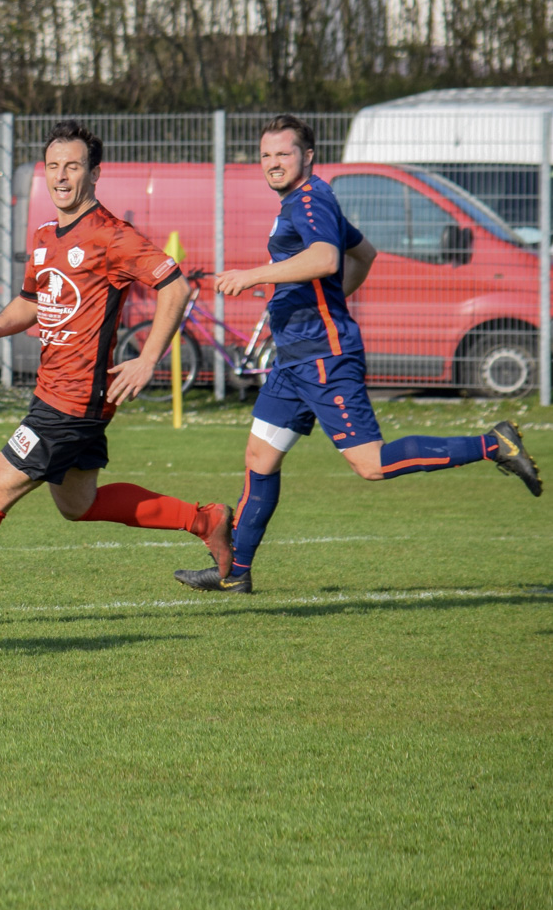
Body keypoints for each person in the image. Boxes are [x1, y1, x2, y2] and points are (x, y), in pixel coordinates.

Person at [0, 121, 234, 625]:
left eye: (73, 166)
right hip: (56, 393)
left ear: (94, 174)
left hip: (73, 400)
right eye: (53, 166)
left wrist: (149, 359)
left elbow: (176, 287)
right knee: (78, 504)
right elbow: (33, 303)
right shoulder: (42, 237)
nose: (61, 176)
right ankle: (204, 519)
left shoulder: (112, 235)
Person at [173, 115, 541, 595]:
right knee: (259, 457)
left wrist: (254, 275)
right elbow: (364, 254)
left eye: (283, 153)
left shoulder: (310, 200)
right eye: (265, 154)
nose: (272, 163)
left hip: (323, 358)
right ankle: (235, 572)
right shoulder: (304, 201)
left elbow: (327, 258)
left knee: (370, 464)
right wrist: (329, 301)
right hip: (294, 359)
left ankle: (494, 445)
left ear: (308, 156)